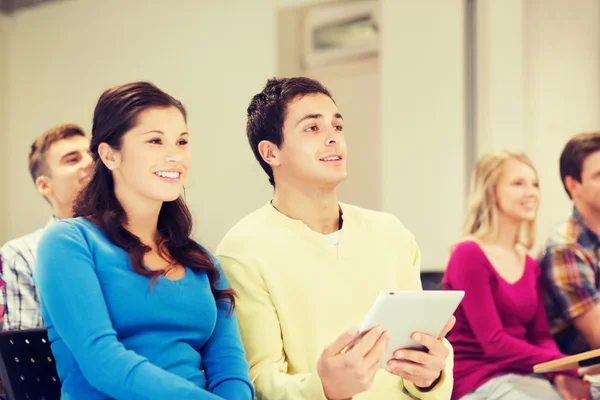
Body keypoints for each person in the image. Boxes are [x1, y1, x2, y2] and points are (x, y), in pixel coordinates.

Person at [216, 77, 454, 400]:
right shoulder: (243, 250)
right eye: (312, 129)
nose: (334, 139)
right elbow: (259, 381)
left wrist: (430, 376)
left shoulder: (392, 233)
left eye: (337, 127)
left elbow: (423, 362)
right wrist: (325, 389)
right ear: (271, 152)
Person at [34, 82, 253, 399]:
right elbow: (103, 363)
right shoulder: (68, 243)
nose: (174, 156)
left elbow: (230, 369)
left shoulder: (201, 260)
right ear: (110, 155)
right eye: (155, 141)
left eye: (181, 142)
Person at [444, 150, 592, 400]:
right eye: (518, 183)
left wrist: (560, 373)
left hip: (524, 376)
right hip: (476, 381)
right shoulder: (468, 254)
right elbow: (494, 342)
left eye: (535, 184)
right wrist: (564, 364)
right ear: (491, 191)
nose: (531, 192)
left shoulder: (529, 262)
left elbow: (541, 336)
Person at [0, 124, 91, 330]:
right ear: (44, 185)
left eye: (91, 154)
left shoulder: (129, 241)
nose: (90, 162)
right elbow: (28, 356)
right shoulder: (20, 255)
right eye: (73, 159)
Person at [539, 133, 600, 358]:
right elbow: (597, 337)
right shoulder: (565, 247)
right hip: (581, 372)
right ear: (573, 184)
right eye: (599, 175)